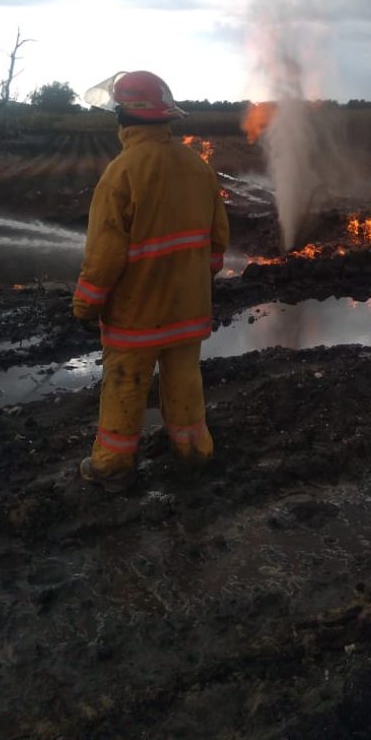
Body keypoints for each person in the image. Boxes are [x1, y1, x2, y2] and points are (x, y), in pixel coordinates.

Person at [72, 70, 229, 492]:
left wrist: (86, 304)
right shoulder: (198, 167)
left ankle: (112, 466)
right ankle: (195, 451)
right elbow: (217, 243)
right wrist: (196, 280)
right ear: (165, 119)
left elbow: (104, 255)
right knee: (184, 381)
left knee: (125, 385)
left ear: (124, 118)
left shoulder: (120, 174)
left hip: (136, 315)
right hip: (188, 310)